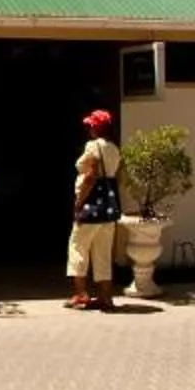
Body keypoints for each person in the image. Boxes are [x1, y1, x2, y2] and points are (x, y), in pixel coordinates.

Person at [70, 108, 123, 311]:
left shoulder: (93, 146)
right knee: (103, 253)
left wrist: (79, 202)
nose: (88, 128)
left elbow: (91, 176)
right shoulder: (114, 148)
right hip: (107, 208)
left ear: (96, 128)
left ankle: (81, 294)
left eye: (91, 125)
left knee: (78, 247)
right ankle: (106, 298)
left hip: (91, 206)